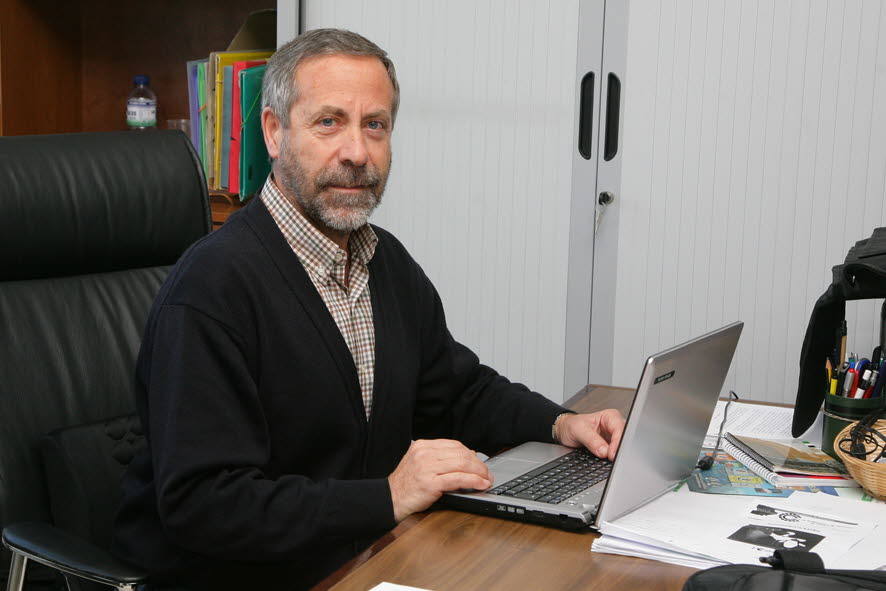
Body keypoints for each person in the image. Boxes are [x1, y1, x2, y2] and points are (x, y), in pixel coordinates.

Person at [112, 28, 625, 590]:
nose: (357, 153)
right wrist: (388, 496)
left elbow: (456, 391)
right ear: (275, 132)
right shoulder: (212, 289)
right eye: (329, 122)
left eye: (374, 125)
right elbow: (205, 506)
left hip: (369, 557)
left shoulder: (383, 260)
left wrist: (561, 423)